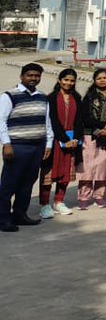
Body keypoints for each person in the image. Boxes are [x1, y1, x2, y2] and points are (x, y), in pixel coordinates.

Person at [0, 63, 53, 231]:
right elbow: (1, 121)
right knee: (9, 184)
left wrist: (49, 143)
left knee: (27, 183)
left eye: (37, 76)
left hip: (37, 146)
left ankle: (20, 215)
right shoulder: (9, 96)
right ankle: (3, 219)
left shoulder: (43, 97)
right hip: (17, 146)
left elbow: (47, 123)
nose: (33, 79)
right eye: (30, 75)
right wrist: (6, 144)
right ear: (22, 76)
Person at [39, 68, 82, 218]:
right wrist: (64, 139)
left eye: (72, 80)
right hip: (54, 140)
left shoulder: (77, 98)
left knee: (65, 173)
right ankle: (44, 205)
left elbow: (79, 120)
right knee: (48, 175)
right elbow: (52, 121)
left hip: (72, 142)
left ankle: (59, 201)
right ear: (59, 80)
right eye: (66, 80)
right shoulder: (50, 98)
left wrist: (75, 139)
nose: (69, 83)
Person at [77, 68, 106, 209]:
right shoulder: (89, 97)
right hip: (90, 135)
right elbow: (84, 117)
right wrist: (102, 126)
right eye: (99, 78)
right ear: (94, 81)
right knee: (87, 168)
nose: (102, 80)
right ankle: (84, 197)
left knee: (103, 167)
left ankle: (99, 196)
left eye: (105, 78)